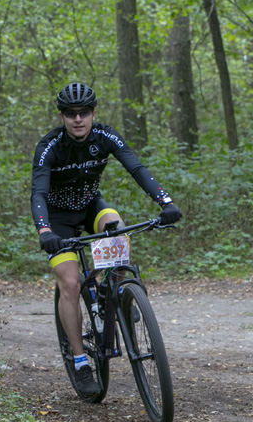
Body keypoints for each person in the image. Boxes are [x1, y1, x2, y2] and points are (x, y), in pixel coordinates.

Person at [31, 83, 182, 398]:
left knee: (119, 228)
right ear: (62, 117)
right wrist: (45, 230)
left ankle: (112, 290)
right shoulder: (49, 146)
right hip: (58, 221)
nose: (78, 119)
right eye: (71, 114)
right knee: (70, 284)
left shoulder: (105, 136)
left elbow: (136, 168)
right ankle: (80, 361)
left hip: (90, 208)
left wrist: (165, 202)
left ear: (93, 113)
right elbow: (39, 192)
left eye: (84, 112)